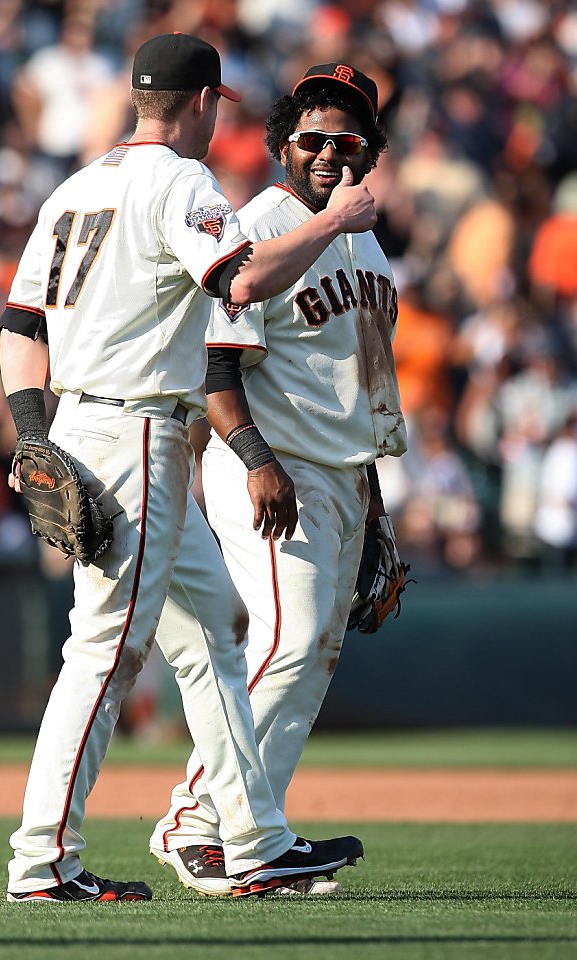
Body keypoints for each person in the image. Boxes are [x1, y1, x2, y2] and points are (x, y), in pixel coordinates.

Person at [0, 35, 378, 903]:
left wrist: (30, 435)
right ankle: (41, 863)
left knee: (216, 630)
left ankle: (252, 841)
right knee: (107, 651)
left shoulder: (75, 188)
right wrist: (330, 223)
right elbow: (239, 282)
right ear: (205, 100)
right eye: (218, 106)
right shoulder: (179, 181)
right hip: (135, 432)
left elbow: (21, 326)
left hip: (90, 425)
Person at [151, 62, 407, 896]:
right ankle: (194, 819)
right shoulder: (258, 224)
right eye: (313, 137)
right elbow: (215, 368)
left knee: (314, 658)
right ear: (283, 145)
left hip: (344, 474)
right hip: (270, 465)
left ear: (370, 150)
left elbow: (362, 382)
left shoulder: (359, 232)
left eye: (349, 138)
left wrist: (377, 516)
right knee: (287, 642)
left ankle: (253, 830)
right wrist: (257, 460)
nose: (331, 150)